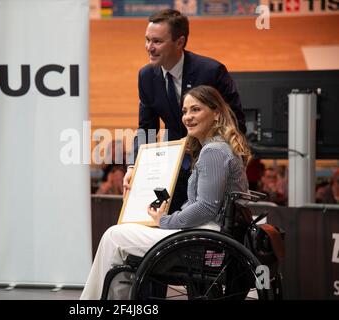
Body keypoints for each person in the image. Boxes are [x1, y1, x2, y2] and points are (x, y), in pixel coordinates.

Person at [81, 85, 251, 300]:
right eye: (184, 111)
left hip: (205, 238)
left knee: (114, 236)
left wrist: (166, 220)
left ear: (216, 113)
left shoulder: (214, 151)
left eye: (195, 110)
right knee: (121, 239)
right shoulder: (216, 148)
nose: (187, 117)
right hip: (204, 233)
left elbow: (206, 207)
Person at [123, 9, 246, 214]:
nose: (149, 48)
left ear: (179, 42)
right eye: (147, 40)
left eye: (157, 42)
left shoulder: (211, 71)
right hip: (173, 167)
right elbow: (147, 128)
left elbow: (235, 121)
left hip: (211, 164)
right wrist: (134, 167)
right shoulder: (145, 76)